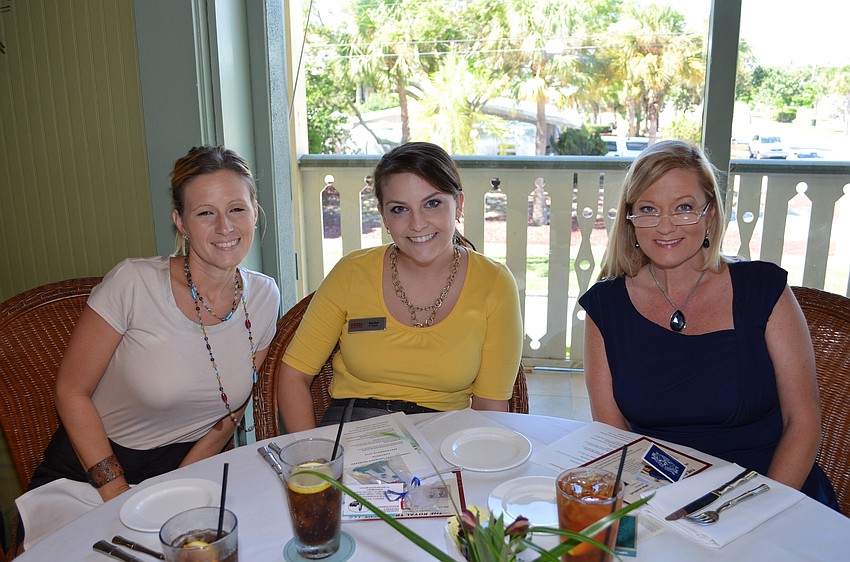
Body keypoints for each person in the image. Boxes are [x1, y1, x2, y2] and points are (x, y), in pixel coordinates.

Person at [17, 146, 281, 548]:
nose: (225, 227)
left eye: (237, 209)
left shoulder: (264, 296)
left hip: (188, 473)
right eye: (205, 213)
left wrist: (179, 481)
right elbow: (70, 391)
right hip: (91, 474)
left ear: (255, 212)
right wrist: (119, 494)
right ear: (181, 222)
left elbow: (229, 413)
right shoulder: (134, 283)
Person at [579, 139, 838, 509]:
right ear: (630, 219)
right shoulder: (605, 306)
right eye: (649, 209)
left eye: (684, 208)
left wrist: (754, 511)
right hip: (661, 500)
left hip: (774, 493)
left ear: (710, 215)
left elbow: (804, 422)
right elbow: (613, 437)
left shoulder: (762, 289)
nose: (665, 226)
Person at [279, 141, 523, 432]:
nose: (417, 224)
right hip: (354, 429)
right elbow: (294, 374)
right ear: (383, 216)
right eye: (399, 209)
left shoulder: (494, 282)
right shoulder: (352, 272)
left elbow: (490, 406)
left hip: (445, 434)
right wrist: (313, 460)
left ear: (457, 205)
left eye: (432, 203)